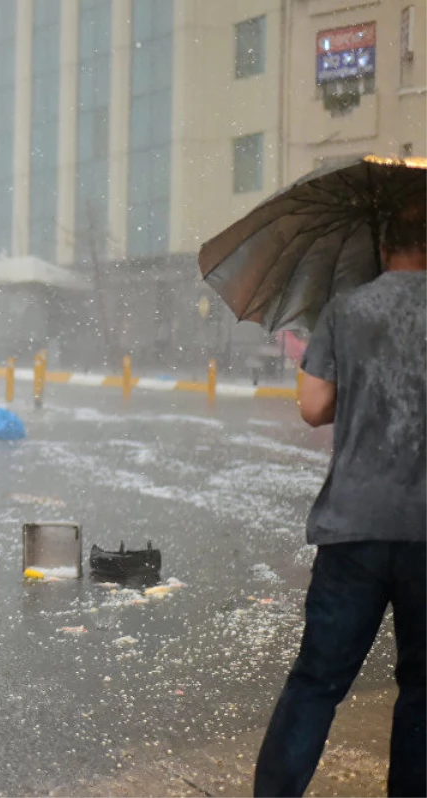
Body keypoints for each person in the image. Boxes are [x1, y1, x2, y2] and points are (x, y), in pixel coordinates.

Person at [254, 202, 427, 797]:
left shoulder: (346, 309)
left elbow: (314, 408)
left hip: (352, 526)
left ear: (383, 248)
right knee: (424, 688)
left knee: (318, 681)